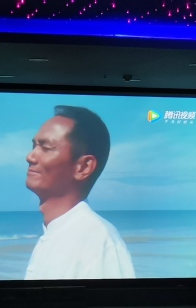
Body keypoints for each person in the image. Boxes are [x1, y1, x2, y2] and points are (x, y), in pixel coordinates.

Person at [24, 105, 135, 280]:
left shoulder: (97, 242)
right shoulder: (56, 233)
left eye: (46, 148)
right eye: (34, 146)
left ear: (83, 167)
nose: (30, 156)